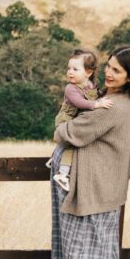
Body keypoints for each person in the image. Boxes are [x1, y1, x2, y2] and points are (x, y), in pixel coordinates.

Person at [50, 46, 130, 259]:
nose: (109, 73)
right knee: (88, 251)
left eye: (117, 70)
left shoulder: (112, 107)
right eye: (109, 67)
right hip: (99, 190)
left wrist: (60, 127)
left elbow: (69, 132)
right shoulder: (115, 99)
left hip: (93, 190)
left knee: (82, 254)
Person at [50, 49, 114, 192]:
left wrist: (100, 100)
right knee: (73, 143)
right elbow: (79, 103)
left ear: (88, 72)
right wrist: (96, 104)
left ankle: (55, 157)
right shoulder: (70, 88)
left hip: (77, 119)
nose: (70, 72)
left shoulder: (92, 86)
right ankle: (63, 173)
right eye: (68, 68)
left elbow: (94, 97)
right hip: (66, 119)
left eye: (75, 69)